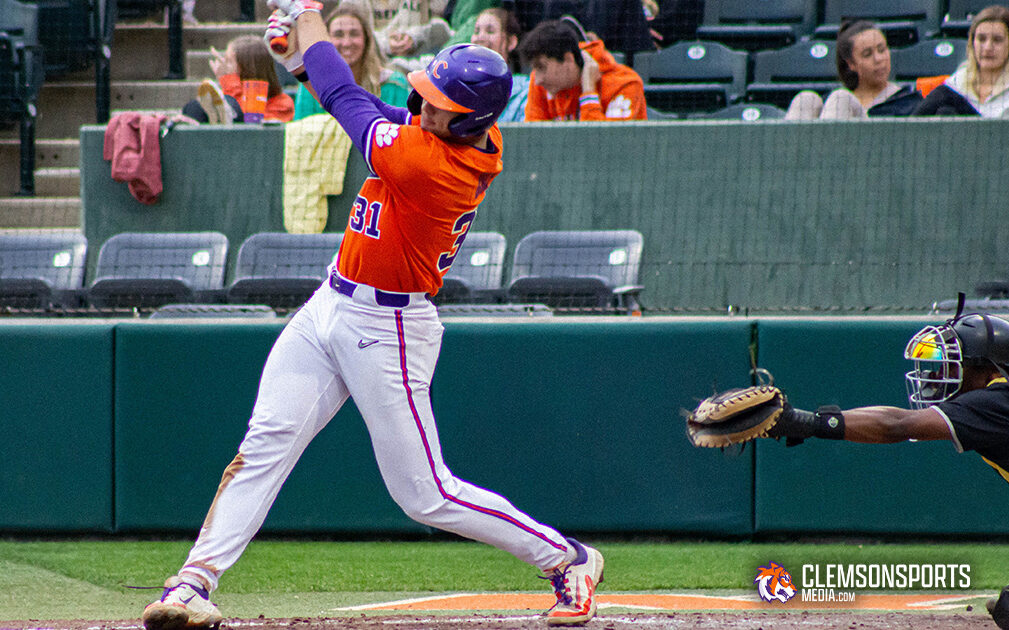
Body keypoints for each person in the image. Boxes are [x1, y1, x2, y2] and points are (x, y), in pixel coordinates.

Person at [139, 1, 604, 629]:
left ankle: (567, 557)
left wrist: (308, 22)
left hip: (389, 329)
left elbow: (347, 101)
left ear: (472, 120)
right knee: (265, 443)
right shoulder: (445, 133)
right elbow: (367, 106)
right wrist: (302, 62)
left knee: (426, 494)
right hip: (330, 304)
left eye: (442, 101)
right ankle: (194, 583)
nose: (426, 102)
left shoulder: (436, 163)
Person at [712, 307, 1009, 629]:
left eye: (954, 365)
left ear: (986, 370)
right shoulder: (994, 401)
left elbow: (897, 425)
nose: (938, 376)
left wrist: (806, 422)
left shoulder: (996, 400)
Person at [785, 20, 921, 120]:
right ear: (851, 64)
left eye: (882, 50)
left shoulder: (908, 101)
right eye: (867, 54)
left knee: (841, 99)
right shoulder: (828, 102)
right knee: (806, 100)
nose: (879, 59)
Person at [293, 3, 409, 120]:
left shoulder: (394, 85)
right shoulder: (311, 86)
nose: (347, 43)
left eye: (354, 34)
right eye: (338, 35)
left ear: (366, 40)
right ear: (326, 41)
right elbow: (300, 134)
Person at [517, 18, 647, 122]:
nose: (538, 80)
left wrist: (589, 92)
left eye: (542, 67)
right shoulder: (541, 85)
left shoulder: (625, 85)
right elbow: (533, 144)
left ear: (568, 59)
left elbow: (607, 149)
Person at [914, 5, 1009, 118]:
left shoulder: (949, 92)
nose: (988, 47)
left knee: (944, 95)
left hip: (998, 134)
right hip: (961, 134)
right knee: (945, 112)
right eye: (981, 39)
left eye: (997, 40)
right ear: (972, 43)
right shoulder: (959, 80)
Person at [184, 35, 295, 123]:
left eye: (229, 61)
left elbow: (248, 119)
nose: (223, 65)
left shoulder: (283, 104)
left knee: (231, 105)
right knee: (195, 107)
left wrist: (228, 80)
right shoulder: (228, 93)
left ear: (247, 68)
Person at [470, 7, 529, 122]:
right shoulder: (462, 90)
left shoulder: (526, 91)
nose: (480, 38)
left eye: (490, 31)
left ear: (511, 42)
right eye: (477, 31)